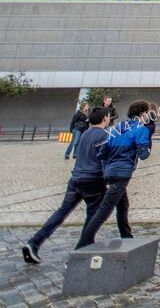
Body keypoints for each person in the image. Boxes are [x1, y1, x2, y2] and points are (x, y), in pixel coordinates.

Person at [23, 107, 123, 263]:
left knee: (61, 212)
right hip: (93, 180)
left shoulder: (84, 135)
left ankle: (34, 242)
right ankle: (81, 251)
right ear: (105, 118)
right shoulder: (105, 136)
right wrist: (109, 180)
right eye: (109, 116)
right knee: (94, 216)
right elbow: (104, 160)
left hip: (76, 178)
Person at [75, 100, 152, 249]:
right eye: (147, 113)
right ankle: (82, 244)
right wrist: (147, 148)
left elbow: (102, 153)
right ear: (143, 114)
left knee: (123, 204)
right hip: (122, 172)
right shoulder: (140, 129)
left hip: (110, 171)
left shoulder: (116, 128)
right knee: (104, 210)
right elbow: (143, 154)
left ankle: (127, 236)